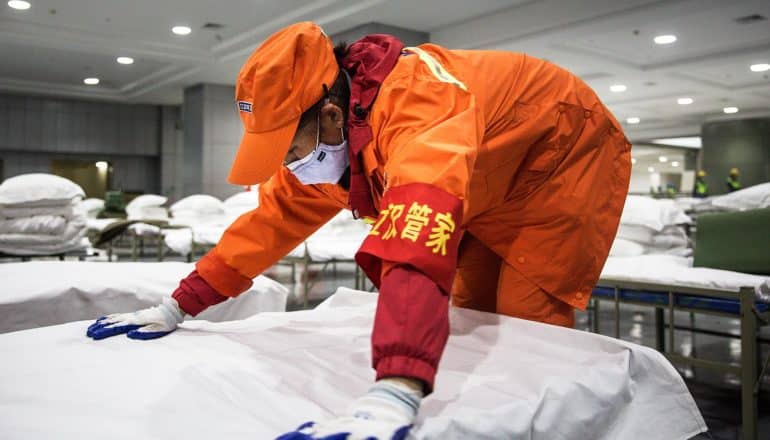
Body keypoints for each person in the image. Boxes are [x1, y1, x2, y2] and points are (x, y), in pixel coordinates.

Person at [86, 22, 631, 439]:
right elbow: (267, 224)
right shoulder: (329, 141)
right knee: (472, 319)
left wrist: (398, 383)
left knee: (521, 326)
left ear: (328, 115)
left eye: (291, 150)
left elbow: (416, 237)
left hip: (558, 156)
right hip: (487, 167)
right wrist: (179, 305)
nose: (292, 164)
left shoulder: (419, 106)